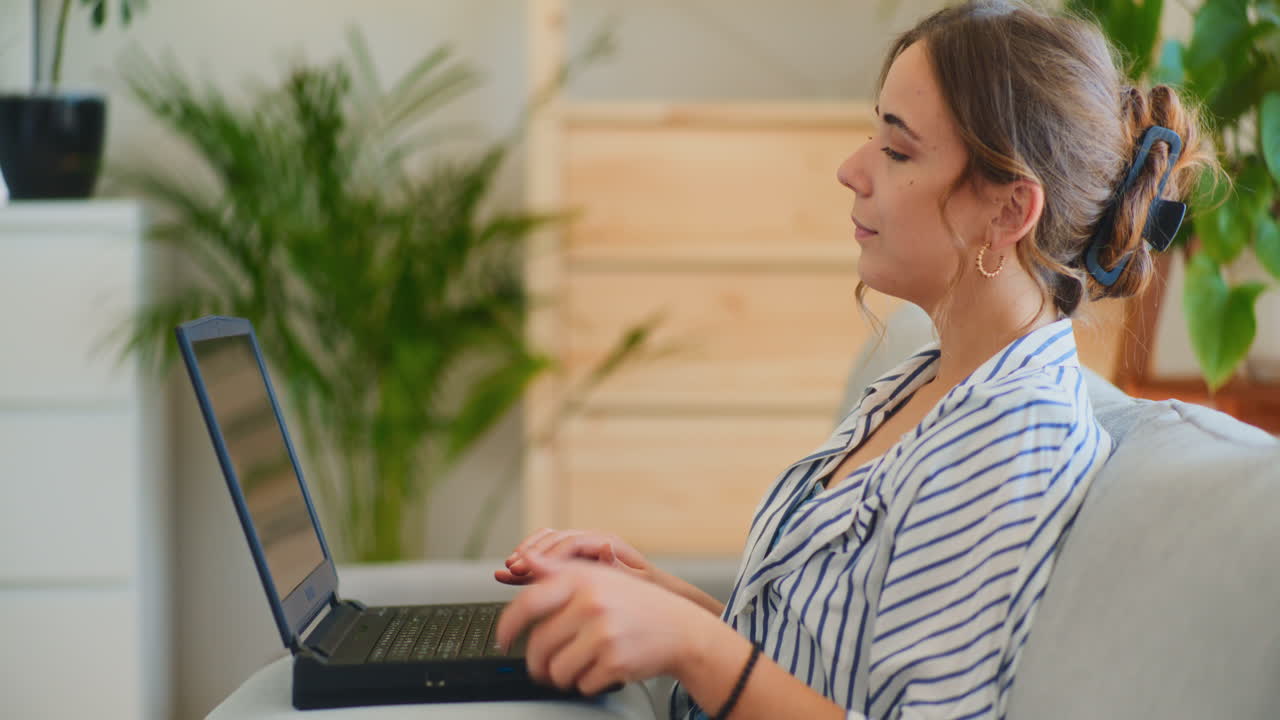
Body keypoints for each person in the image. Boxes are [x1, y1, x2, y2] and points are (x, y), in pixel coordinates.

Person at [492, 1, 1219, 718]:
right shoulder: (928, 378)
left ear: (1007, 212)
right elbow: (822, 664)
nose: (851, 169)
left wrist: (692, 646)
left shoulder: (1010, 443)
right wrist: (655, 603)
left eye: (897, 150)